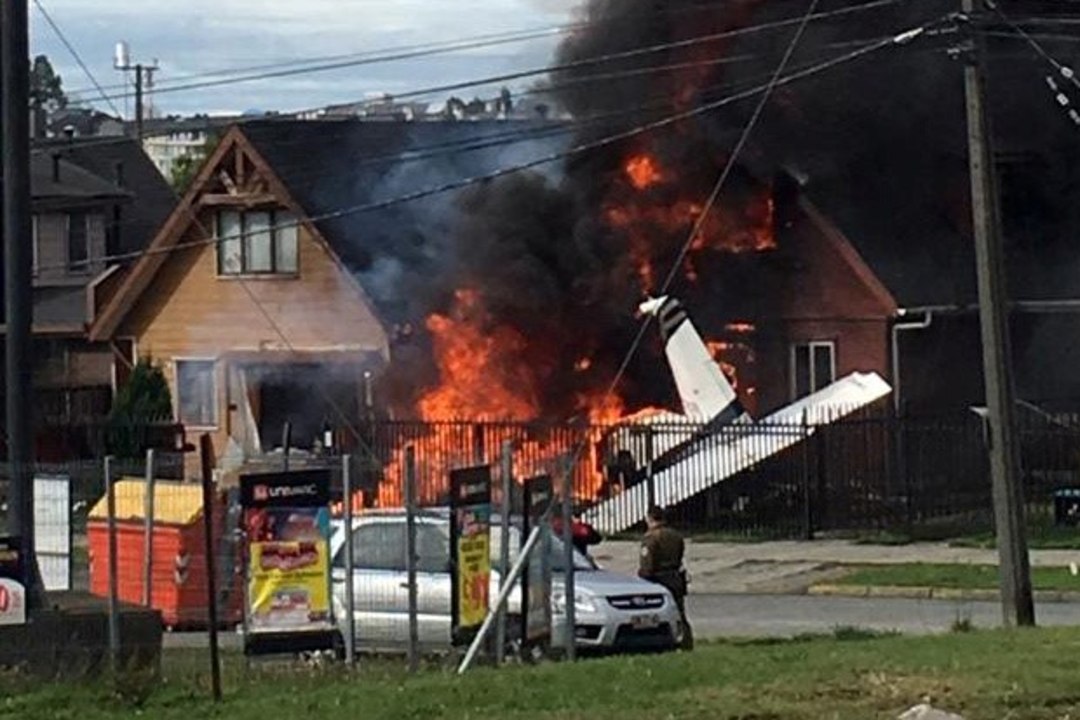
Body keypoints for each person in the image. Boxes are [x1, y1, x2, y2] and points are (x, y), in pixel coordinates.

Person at [638, 505, 693, 650]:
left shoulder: (651, 538)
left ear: (649, 518)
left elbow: (647, 564)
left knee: (654, 616)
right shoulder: (676, 535)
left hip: (658, 580)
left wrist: (642, 579)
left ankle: (656, 642)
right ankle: (686, 643)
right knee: (680, 613)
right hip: (675, 578)